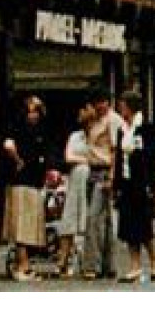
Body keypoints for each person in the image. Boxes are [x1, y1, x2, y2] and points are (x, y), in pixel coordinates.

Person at [112, 90, 155, 283]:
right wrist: (115, 183)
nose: (120, 108)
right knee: (127, 226)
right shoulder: (121, 130)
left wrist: (152, 182)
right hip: (126, 183)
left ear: (130, 107)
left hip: (141, 182)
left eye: (122, 105)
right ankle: (134, 266)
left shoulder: (146, 128)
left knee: (142, 224)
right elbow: (118, 157)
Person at [2, 96, 51, 281]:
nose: (34, 114)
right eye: (30, 110)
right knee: (22, 225)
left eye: (36, 110)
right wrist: (18, 160)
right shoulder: (18, 127)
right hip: (22, 181)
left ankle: (22, 264)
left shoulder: (40, 130)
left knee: (28, 225)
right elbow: (8, 145)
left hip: (33, 182)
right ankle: (23, 265)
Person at [81, 88, 122, 280]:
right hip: (94, 171)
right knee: (101, 220)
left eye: (102, 102)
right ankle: (104, 265)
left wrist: (112, 177)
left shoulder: (112, 120)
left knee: (97, 219)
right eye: (96, 103)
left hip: (105, 172)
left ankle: (97, 265)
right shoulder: (93, 120)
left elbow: (115, 150)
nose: (99, 106)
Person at [56, 105, 94, 277]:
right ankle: (62, 260)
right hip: (75, 179)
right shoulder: (75, 136)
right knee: (69, 219)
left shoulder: (97, 135)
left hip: (90, 182)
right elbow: (68, 157)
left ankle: (87, 263)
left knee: (87, 221)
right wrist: (86, 159)